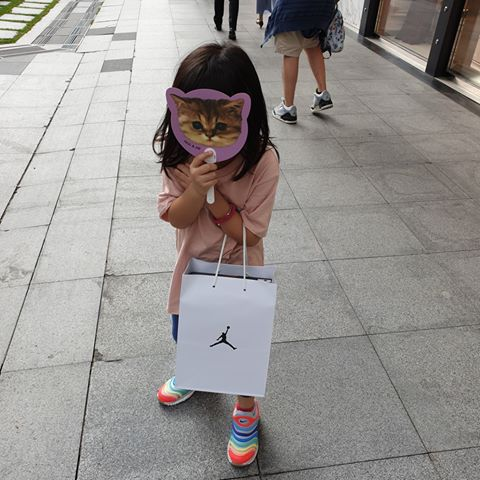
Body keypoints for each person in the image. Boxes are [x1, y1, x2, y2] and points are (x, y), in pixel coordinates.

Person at [153, 43, 279, 467]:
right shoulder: (177, 155)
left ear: (244, 112)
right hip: (192, 270)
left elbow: (250, 234)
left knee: (240, 347)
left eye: (221, 121)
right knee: (187, 333)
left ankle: (245, 408)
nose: (206, 133)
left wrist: (215, 199)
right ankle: (195, 371)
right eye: (195, 122)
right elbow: (175, 216)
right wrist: (195, 187)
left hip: (240, 272)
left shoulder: (261, 161)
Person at [263, 0, 336, 124]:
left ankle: (288, 109)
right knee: (313, 45)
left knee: (291, 52)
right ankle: (323, 95)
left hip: (293, 9)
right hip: (321, 9)